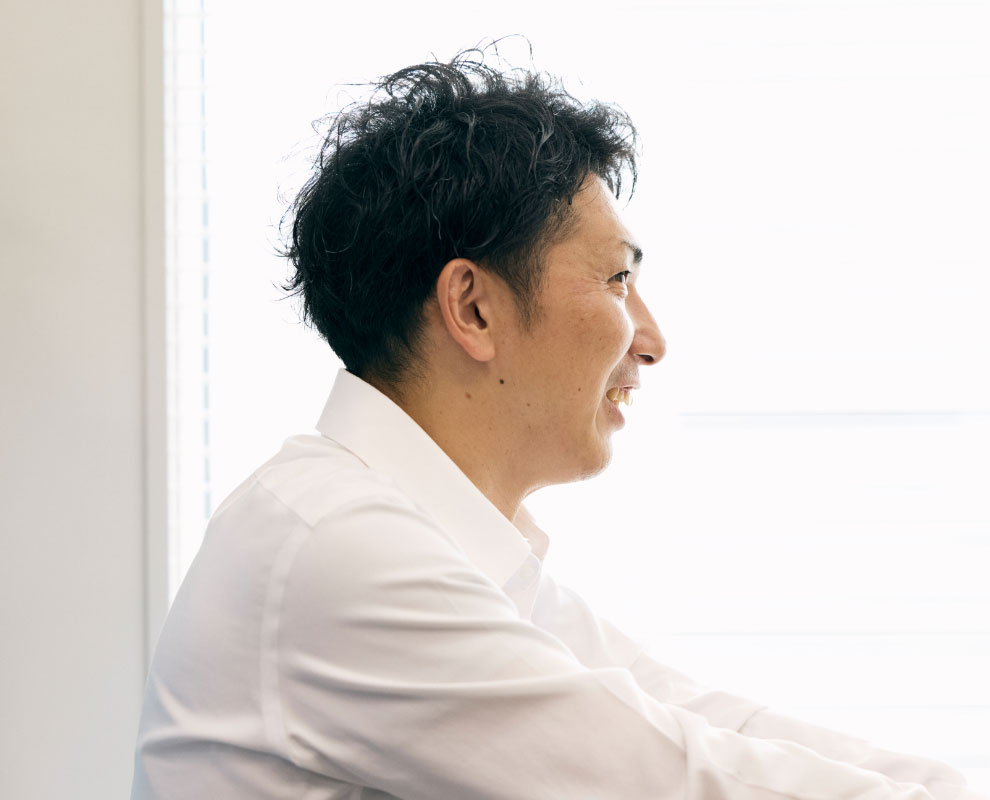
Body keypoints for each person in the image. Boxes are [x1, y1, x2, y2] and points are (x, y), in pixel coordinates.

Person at [131, 51, 985, 799]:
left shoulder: (430, 539)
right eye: (616, 280)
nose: (650, 340)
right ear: (473, 307)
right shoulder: (340, 546)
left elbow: (691, 715)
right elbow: (664, 779)